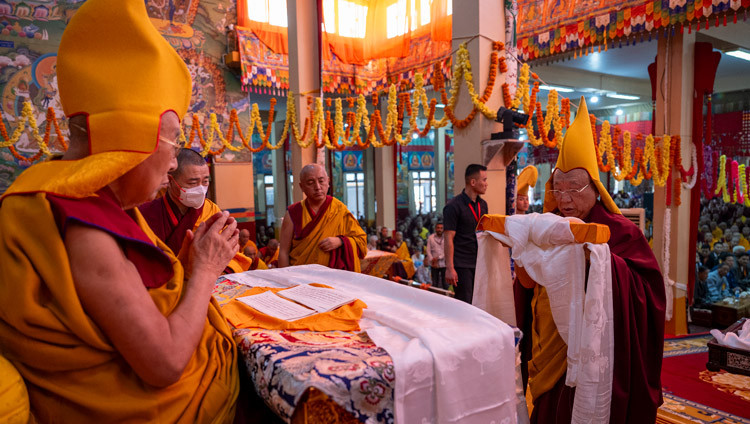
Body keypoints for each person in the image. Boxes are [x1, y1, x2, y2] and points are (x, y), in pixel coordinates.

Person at [0, 0, 239, 421]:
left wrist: (182, 264)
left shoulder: (49, 192)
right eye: (172, 140)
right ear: (135, 139)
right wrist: (204, 270)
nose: (172, 163)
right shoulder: (85, 224)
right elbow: (163, 364)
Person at [518, 97, 665, 423]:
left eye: (574, 188)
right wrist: (521, 254)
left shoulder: (621, 232)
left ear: (596, 189)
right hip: (550, 345)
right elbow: (527, 286)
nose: (565, 199)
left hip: (594, 349)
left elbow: (648, 293)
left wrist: (598, 259)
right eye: (559, 188)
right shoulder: (549, 225)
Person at [140, 148, 253, 274]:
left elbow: (227, 255)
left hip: (204, 280)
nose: (200, 189)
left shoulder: (212, 211)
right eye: (193, 182)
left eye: (205, 181)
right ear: (171, 181)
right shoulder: (146, 213)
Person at [278, 164, 367, 271]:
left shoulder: (339, 209)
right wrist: (286, 280)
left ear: (328, 182)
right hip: (301, 278)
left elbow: (361, 242)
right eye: (311, 183)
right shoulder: (293, 213)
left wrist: (340, 241)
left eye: (321, 181)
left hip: (334, 280)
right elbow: (283, 252)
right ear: (301, 187)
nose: (317, 187)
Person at [444, 164, 489, 303]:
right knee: (465, 302)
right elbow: (448, 238)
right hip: (462, 263)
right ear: (473, 182)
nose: (486, 184)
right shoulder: (453, 206)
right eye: (484, 180)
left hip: (479, 262)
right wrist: (450, 268)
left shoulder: (483, 205)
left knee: (479, 302)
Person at [426, 222, 446, 289]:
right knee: (435, 283)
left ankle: (446, 298)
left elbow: (447, 250)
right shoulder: (431, 237)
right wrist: (432, 259)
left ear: (443, 229)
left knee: (445, 283)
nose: (439, 229)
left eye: (441, 228)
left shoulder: (446, 237)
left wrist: (439, 258)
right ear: (435, 229)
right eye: (438, 228)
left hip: (444, 263)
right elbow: (428, 250)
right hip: (434, 263)